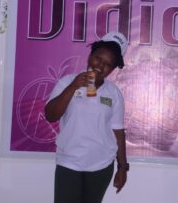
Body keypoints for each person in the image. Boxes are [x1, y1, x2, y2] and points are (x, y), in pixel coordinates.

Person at [45, 32, 130, 203]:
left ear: (112, 70)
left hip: (101, 164)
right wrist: (73, 86)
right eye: (98, 58)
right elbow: (51, 115)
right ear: (90, 55)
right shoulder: (66, 82)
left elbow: (118, 132)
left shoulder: (114, 94)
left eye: (108, 64)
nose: (100, 65)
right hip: (69, 161)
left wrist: (122, 168)